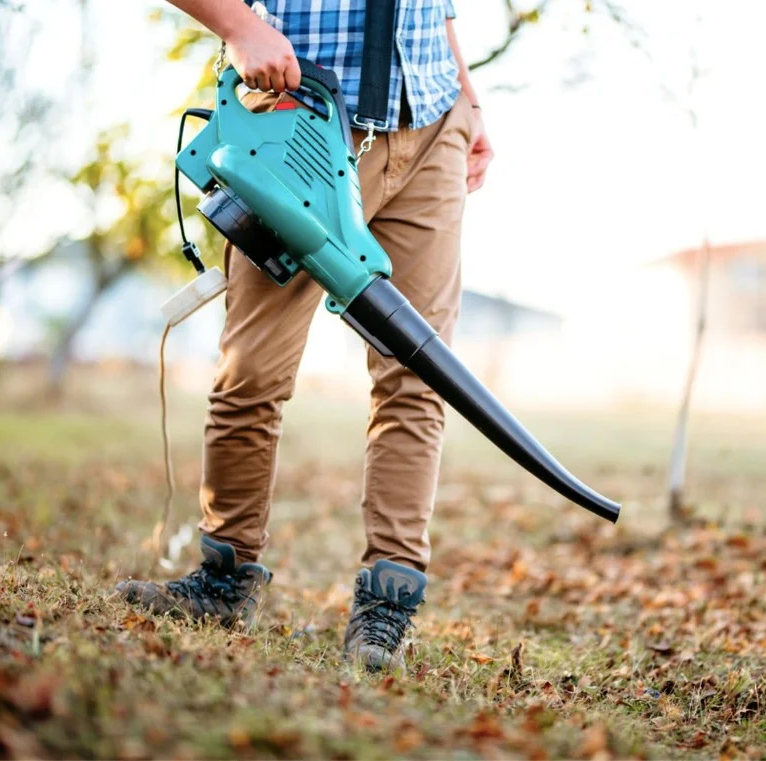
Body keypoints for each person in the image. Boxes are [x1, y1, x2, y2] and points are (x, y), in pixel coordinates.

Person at [118, 0, 493, 672]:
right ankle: (223, 580)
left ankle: (387, 602)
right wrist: (238, 25)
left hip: (432, 124)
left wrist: (468, 100)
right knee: (253, 372)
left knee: (417, 376)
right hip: (304, 116)